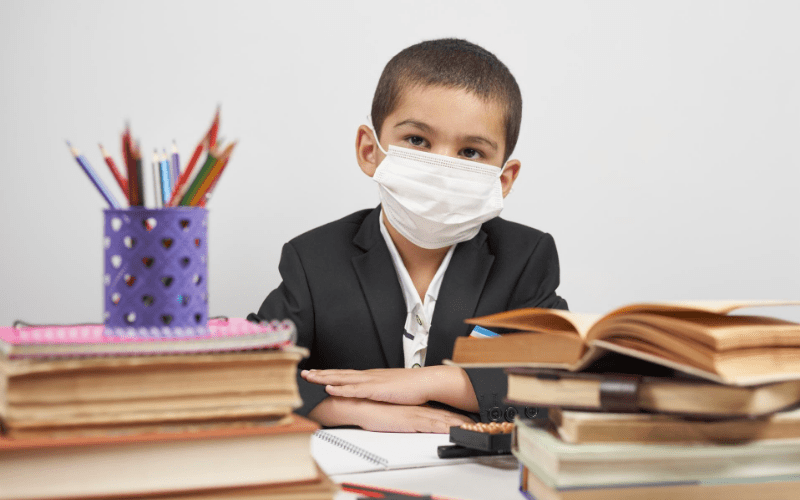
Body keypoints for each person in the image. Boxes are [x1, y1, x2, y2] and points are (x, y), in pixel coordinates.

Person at [249, 38, 568, 433]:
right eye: (417, 141)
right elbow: (249, 371)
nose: (440, 166)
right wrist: (354, 411)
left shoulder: (526, 259)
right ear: (370, 150)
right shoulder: (314, 260)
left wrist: (432, 381)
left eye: (470, 152)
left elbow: (560, 383)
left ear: (503, 179)